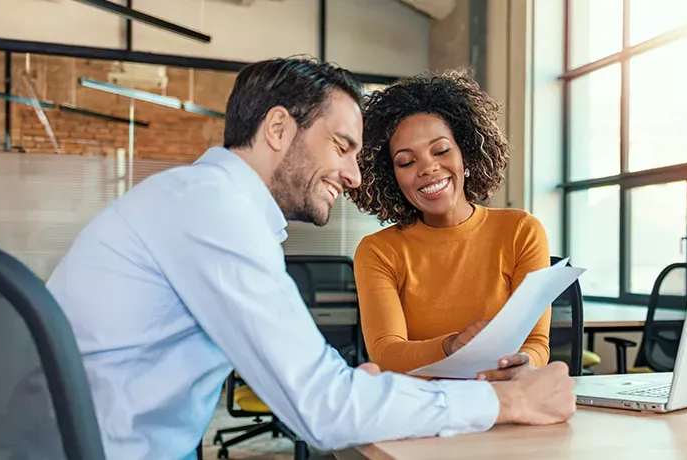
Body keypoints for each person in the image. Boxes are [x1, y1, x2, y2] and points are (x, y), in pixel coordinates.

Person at [46, 58, 575, 459]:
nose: (354, 175)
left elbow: (319, 391)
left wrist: (361, 392)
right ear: (278, 129)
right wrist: (509, 404)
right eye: (342, 146)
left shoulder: (206, 203)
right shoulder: (212, 211)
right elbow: (321, 407)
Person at [347, 71, 552, 382]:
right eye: (406, 162)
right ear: (392, 178)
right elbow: (386, 354)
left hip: (503, 399)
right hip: (421, 408)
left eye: (440, 151)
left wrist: (524, 364)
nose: (428, 168)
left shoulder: (521, 231)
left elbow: (536, 344)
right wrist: (451, 346)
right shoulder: (378, 251)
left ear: (466, 156)